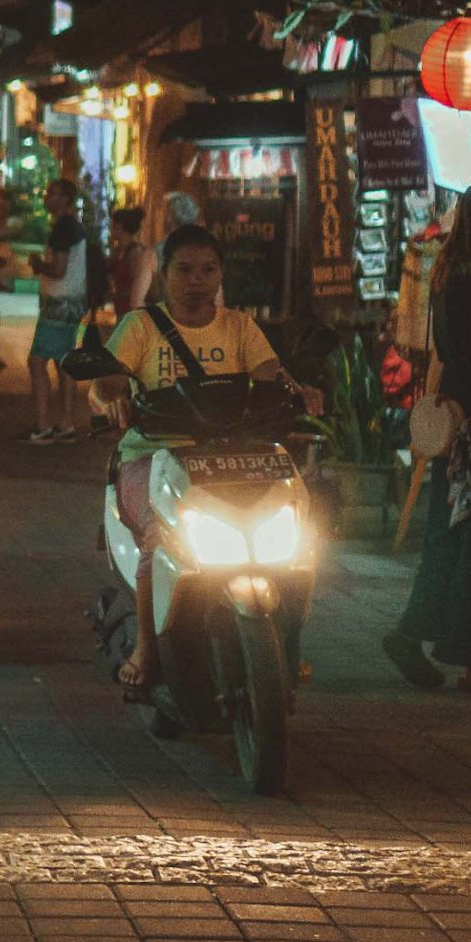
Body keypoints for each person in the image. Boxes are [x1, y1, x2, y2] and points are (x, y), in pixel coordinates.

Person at [89, 224, 318, 690]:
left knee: (302, 537)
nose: (196, 280)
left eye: (208, 270)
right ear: (163, 275)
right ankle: (147, 650)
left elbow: (272, 375)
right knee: (159, 538)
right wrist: (109, 398)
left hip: (233, 459)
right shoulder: (141, 327)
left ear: (221, 276)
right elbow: (104, 384)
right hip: (153, 457)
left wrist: (300, 393)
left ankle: (287, 643)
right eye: (184, 270)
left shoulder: (240, 326)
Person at [385, 181, 471, 694]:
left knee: (448, 533)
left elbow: (446, 354)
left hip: (455, 414)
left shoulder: (445, 271)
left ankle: (414, 632)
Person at [21, 177, 90, 443]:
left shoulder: (64, 227)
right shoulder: (74, 227)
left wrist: (39, 264)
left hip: (59, 304)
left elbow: (59, 270)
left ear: (65, 200)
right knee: (64, 365)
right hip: (71, 302)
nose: (47, 197)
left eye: (53, 193)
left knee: (37, 362)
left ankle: (43, 425)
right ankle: (66, 424)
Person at [106, 206, 155, 316]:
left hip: (131, 315)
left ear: (120, 227)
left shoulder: (135, 253)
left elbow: (136, 287)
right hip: (122, 313)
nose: (110, 230)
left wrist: (115, 295)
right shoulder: (121, 251)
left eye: (112, 226)